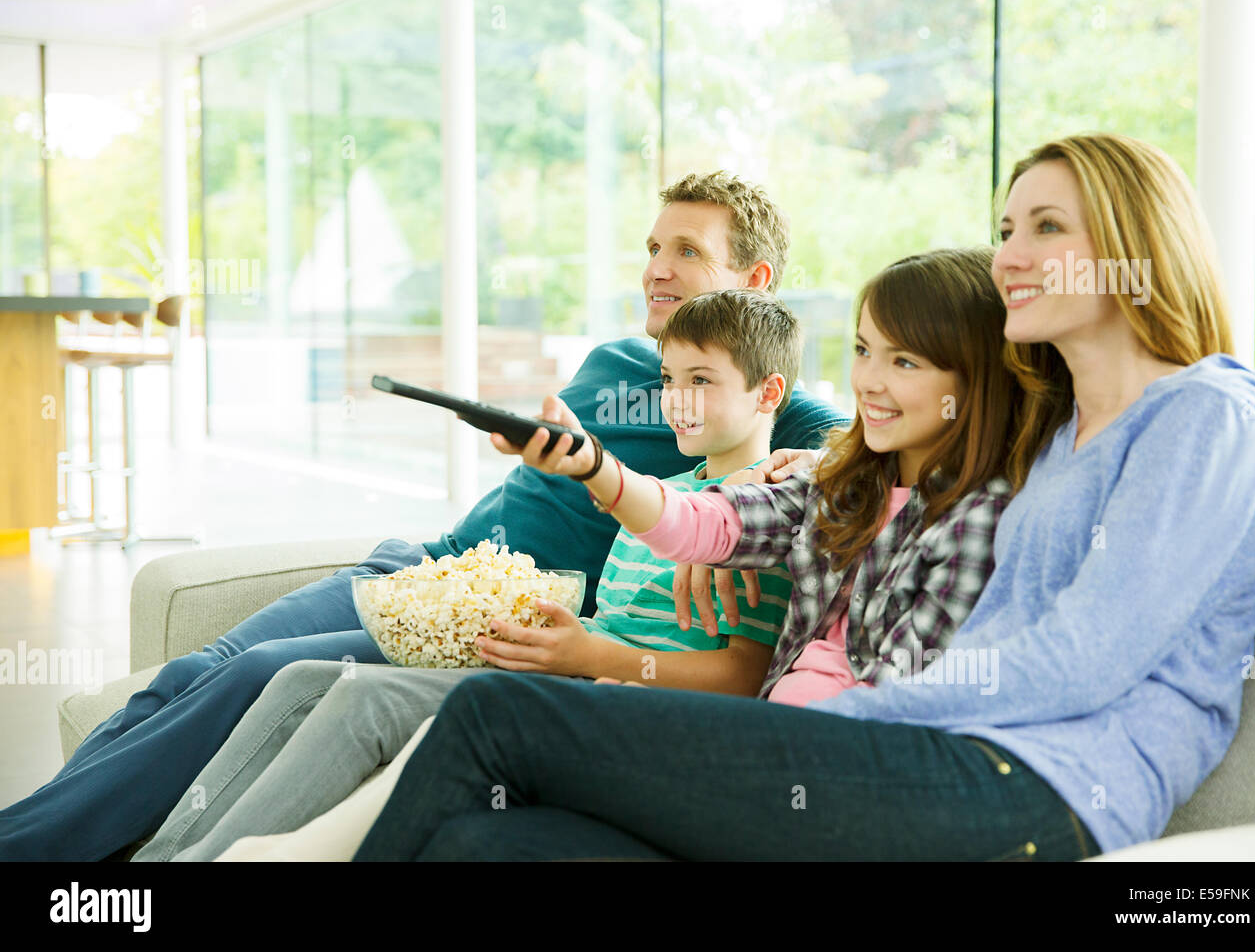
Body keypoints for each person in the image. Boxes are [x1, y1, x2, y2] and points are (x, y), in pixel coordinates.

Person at [352, 133, 1255, 861]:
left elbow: (1084, 659)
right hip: (927, 758)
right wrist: (796, 468)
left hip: (1034, 785)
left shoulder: (1207, 414)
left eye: (1048, 226)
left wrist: (822, 724)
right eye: (1008, 228)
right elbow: (907, 460)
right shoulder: (1052, 436)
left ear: (1135, 244)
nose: (1011, 252)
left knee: (494, 715)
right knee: (491, 844)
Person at [0, 173, 849, 862]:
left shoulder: (766, 405)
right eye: (653, 246)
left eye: (688, 251)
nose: (657, 268)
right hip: (423, 564)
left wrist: (789, 473)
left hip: (486, 616)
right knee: (202, 668)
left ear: (755, 284)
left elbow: (870, 459)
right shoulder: (626, 361)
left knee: (263, 670)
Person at [157, 244, 1023, 862]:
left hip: (798, 766)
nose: (872, 379)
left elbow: (890, 701)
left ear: (971, 380)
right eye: (865, 352)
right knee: (471, 834)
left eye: (904, 360)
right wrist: (596, 468)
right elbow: (703, 526)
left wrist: (603, 665)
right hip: (725, 731)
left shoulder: (977, 518)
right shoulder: (836, 483)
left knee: (484, 716)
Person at [134, 288, 803, 861]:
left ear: (768, 391)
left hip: (620, 708)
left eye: (701, 380)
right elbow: (618, 584)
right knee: (306, 677)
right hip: (561, 674)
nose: (677, 401)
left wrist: (592, 652)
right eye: (668, 379)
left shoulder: (765, 520)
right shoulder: (660, 500)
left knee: (371, 700)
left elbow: (742, 675)